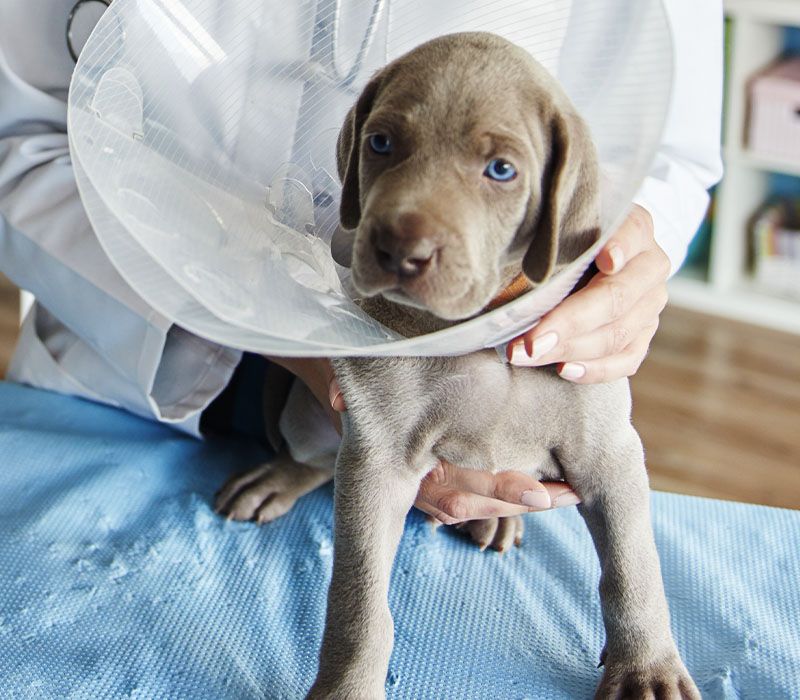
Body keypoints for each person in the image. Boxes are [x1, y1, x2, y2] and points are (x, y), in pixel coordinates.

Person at [0, 0, 722, 525]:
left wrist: (628, 249)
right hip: (130, 367)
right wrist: (271, 332)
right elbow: (17, 143)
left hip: (458, 379)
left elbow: (666, 154)